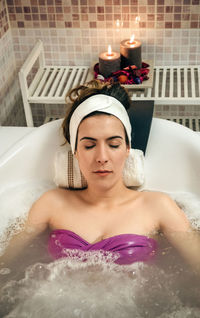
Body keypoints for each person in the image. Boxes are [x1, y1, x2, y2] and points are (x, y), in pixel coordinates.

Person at [1, 80, 200, 272]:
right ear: (75, 151)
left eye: (113, 145)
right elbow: (4, 265)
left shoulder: (158, 205)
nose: (102, 157)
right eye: (89, 146)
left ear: (127, 149)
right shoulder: (51, 203)